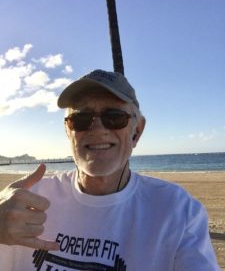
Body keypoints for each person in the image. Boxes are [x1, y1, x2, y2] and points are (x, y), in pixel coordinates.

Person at [0, 69, 220, 271]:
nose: (97, 128)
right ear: (68, 130)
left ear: (137, 131)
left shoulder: (177, 212)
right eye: (81, 119)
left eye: (114, 117)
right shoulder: (26, 200)